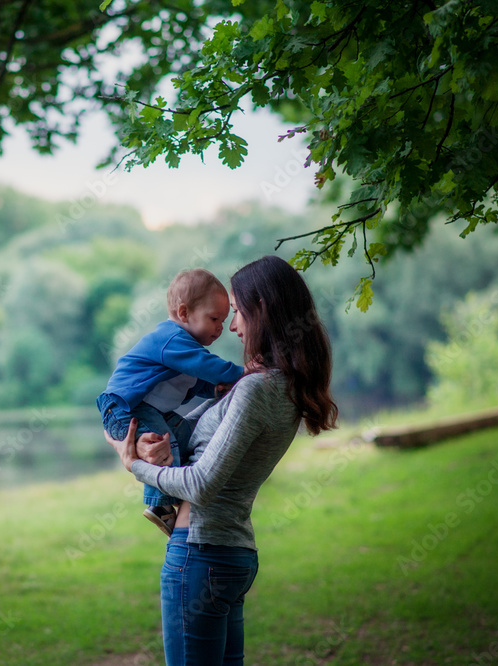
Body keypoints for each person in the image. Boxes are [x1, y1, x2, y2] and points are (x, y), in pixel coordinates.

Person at [105, 255, 338, 666]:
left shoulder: (255, 389)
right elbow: (189, 431)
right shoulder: (282, 386)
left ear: (261, 311)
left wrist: (136, 466)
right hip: (232, 554)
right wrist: (148, 446)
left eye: (237, 312)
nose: (232, 326)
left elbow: (200, 485)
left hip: (201, 554)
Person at [97, 268, 246, 536]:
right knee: (166, 442)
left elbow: (196, 381)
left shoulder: (183, 348)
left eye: (223, 320)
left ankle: (180, 486)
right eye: (214, 318)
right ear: (184, 313)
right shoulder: (171, 339)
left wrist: (217, 388)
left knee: (186, 435)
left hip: (148, 410)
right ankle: (161, 505)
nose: (221, 328)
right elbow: (207, 366)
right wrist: (244, 374)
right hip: (124, 409)